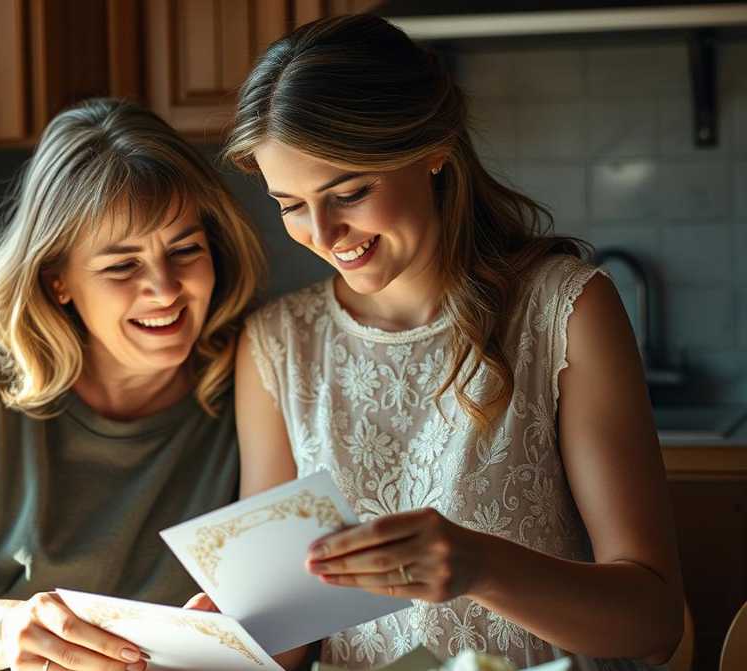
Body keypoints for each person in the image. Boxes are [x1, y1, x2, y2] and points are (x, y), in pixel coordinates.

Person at [222, 14, 683, 671]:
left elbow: (653, 624)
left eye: (349, 192)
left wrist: (481, 565)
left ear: (434, 147)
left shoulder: (565, 309)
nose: (322, 234)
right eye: (290, 204)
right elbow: (285, 633)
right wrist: (224, 637)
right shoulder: (277, 343)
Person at [0, 98, 266, 671]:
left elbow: (290, 621)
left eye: (185, 249)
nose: (165, 289)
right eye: (122, 265)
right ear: (57, 279)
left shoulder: (259, 372)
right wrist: (8, 629)